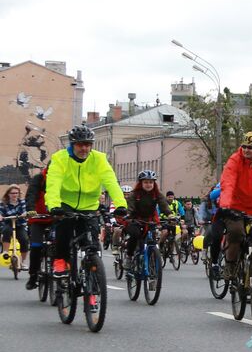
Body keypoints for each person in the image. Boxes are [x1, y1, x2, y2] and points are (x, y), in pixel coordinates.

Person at [45, 124, 126, 277]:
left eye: (88, 145)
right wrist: (54, 206)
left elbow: (111, 182)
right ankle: (61, 260)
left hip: (89, 205)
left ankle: (92, 274)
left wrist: (121, 204)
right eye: (80, 145)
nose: (84, 148)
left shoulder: (99, 159)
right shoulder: (60, 158)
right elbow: (53, 183)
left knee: (92, 243)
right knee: (64, 229)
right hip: (65, 203)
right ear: (72, 144)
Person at [212, 132, 252, 278]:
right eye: (243, 146)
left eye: (250, 147)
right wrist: (226, 205)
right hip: (234, 206)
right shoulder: (235, 160)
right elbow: (228, 182)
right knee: (236, 233)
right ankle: (230, 265)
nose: (246, 150)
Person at [123, 170, 168, 267]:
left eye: (151, 182)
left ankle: (154, 256)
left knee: (153, 237)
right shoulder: (134, 194)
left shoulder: (157, 194)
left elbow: (163, 205)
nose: (149, 185)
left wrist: (170, 215)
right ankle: (129, 256)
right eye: (146, 182)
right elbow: (130, 207)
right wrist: (128, 215)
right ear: (141, 183)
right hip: (135, 220)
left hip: (150, 220)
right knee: (135, 235)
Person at [23, 164, 52, 289]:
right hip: (38, 218)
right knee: (36, 246)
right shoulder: (39, 179)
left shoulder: (64, 178)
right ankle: (33, 275)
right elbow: (31, 195)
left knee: (63, 243)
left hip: (56, 218)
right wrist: (31, 209)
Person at [1, 184, 30, 273]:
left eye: (16, 193)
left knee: (24, 239)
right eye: (12, 193)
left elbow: (25, 211)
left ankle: (23, 262)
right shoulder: (3, 203)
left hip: (20, 224)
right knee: (6, 230)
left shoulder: (22, 202)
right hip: (8, 223)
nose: (14, 195)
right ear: (8, 194)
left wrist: (25, 214)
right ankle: (5, 252)